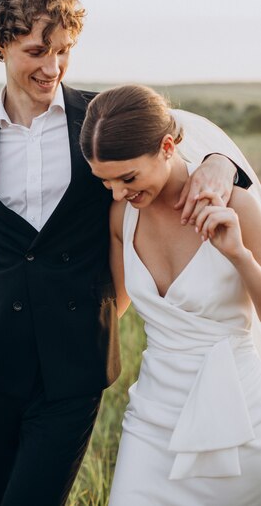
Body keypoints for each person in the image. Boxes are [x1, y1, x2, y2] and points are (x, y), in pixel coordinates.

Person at [0, 0, 250, 506]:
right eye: (36, 50)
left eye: (63, 50)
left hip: (73, 361)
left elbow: (177, 133)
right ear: (1, 45)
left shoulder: (98, 120)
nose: (51, 67)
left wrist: (223, 162)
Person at [80, 84, 261, 506]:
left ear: (166, 146)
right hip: (154, 416)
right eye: (105, 182)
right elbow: (113, 309)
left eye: (128, 178)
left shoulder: (239, 206)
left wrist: (238, 255)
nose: (119, 192)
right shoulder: (121, 215)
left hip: (240, 413)